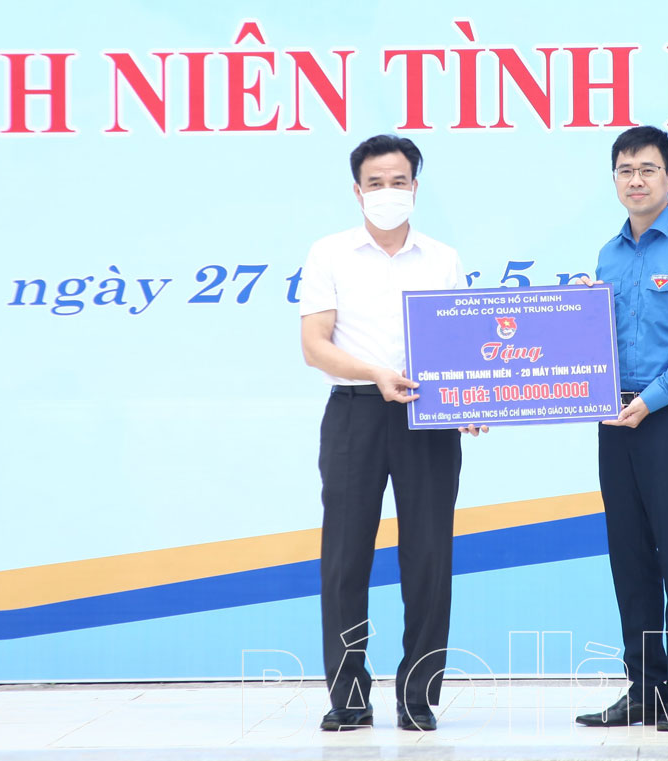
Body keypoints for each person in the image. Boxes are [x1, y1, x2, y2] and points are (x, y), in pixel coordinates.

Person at [298, 134, 482, 732]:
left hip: (428, 417)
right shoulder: (329, 253)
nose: (387, 192)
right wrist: (375, 373)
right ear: (358, 191)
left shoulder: (442, 258)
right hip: (355, 411)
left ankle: (418, 695)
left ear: (415, 188)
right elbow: (314, 346)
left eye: (398, 181)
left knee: (428, 555)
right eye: (375, 183)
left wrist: (469, 399)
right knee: (345, 558)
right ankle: (348, 696)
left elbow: (460, 343)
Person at [574, 126, 668, 732]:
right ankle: (644, 687)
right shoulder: (607, 256)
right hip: (615, 417)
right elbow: (597, 341)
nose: (635, 180)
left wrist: (652, 400)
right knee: (629, 556)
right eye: (624, 170)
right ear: (614, 178)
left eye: (647, 169)